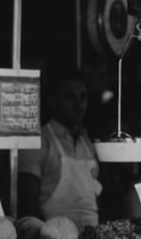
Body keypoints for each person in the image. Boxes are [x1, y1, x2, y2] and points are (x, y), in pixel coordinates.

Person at [18, 71, 101, 228]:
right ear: (53, 101)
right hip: (54, 237)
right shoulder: (39, 140)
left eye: (83, 96)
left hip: (92, 234)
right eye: (69, 97)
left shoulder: (87, 142)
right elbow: (27, 205)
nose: (78, 104)